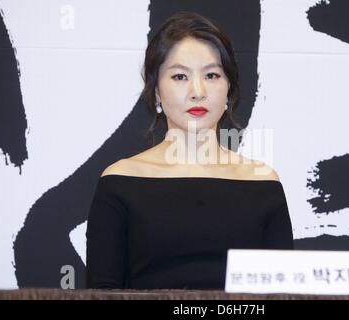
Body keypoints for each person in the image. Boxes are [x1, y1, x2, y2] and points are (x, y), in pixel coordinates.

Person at [86, 11, 293, 289]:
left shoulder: (263, 182)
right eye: (180, 76)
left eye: (211, 75)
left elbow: (282, 294)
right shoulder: (119, 182)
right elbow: (102, 293)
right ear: (156, 90)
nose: (197, 91)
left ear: (228, 88)